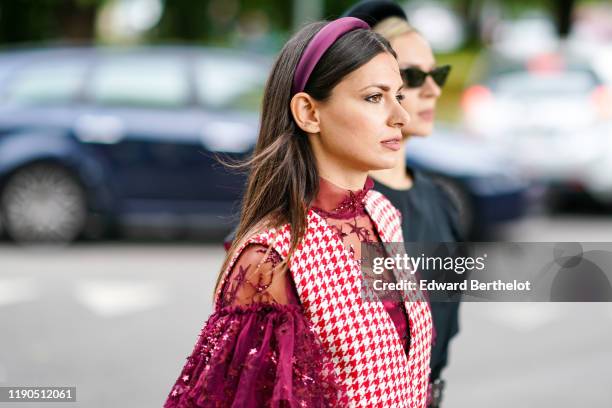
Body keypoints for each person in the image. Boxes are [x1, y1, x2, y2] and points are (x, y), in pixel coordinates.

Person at [164, 17, 433, 407]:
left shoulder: (383, 213)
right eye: (375, 97)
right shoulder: (270, 259)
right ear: (309, 112)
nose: (400, 117)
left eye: (400, 97)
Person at [344, 2, 462, 407]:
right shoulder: (339, 205)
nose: (432, 89)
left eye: (437, 74)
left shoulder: (442, 200)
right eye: (411, 76)